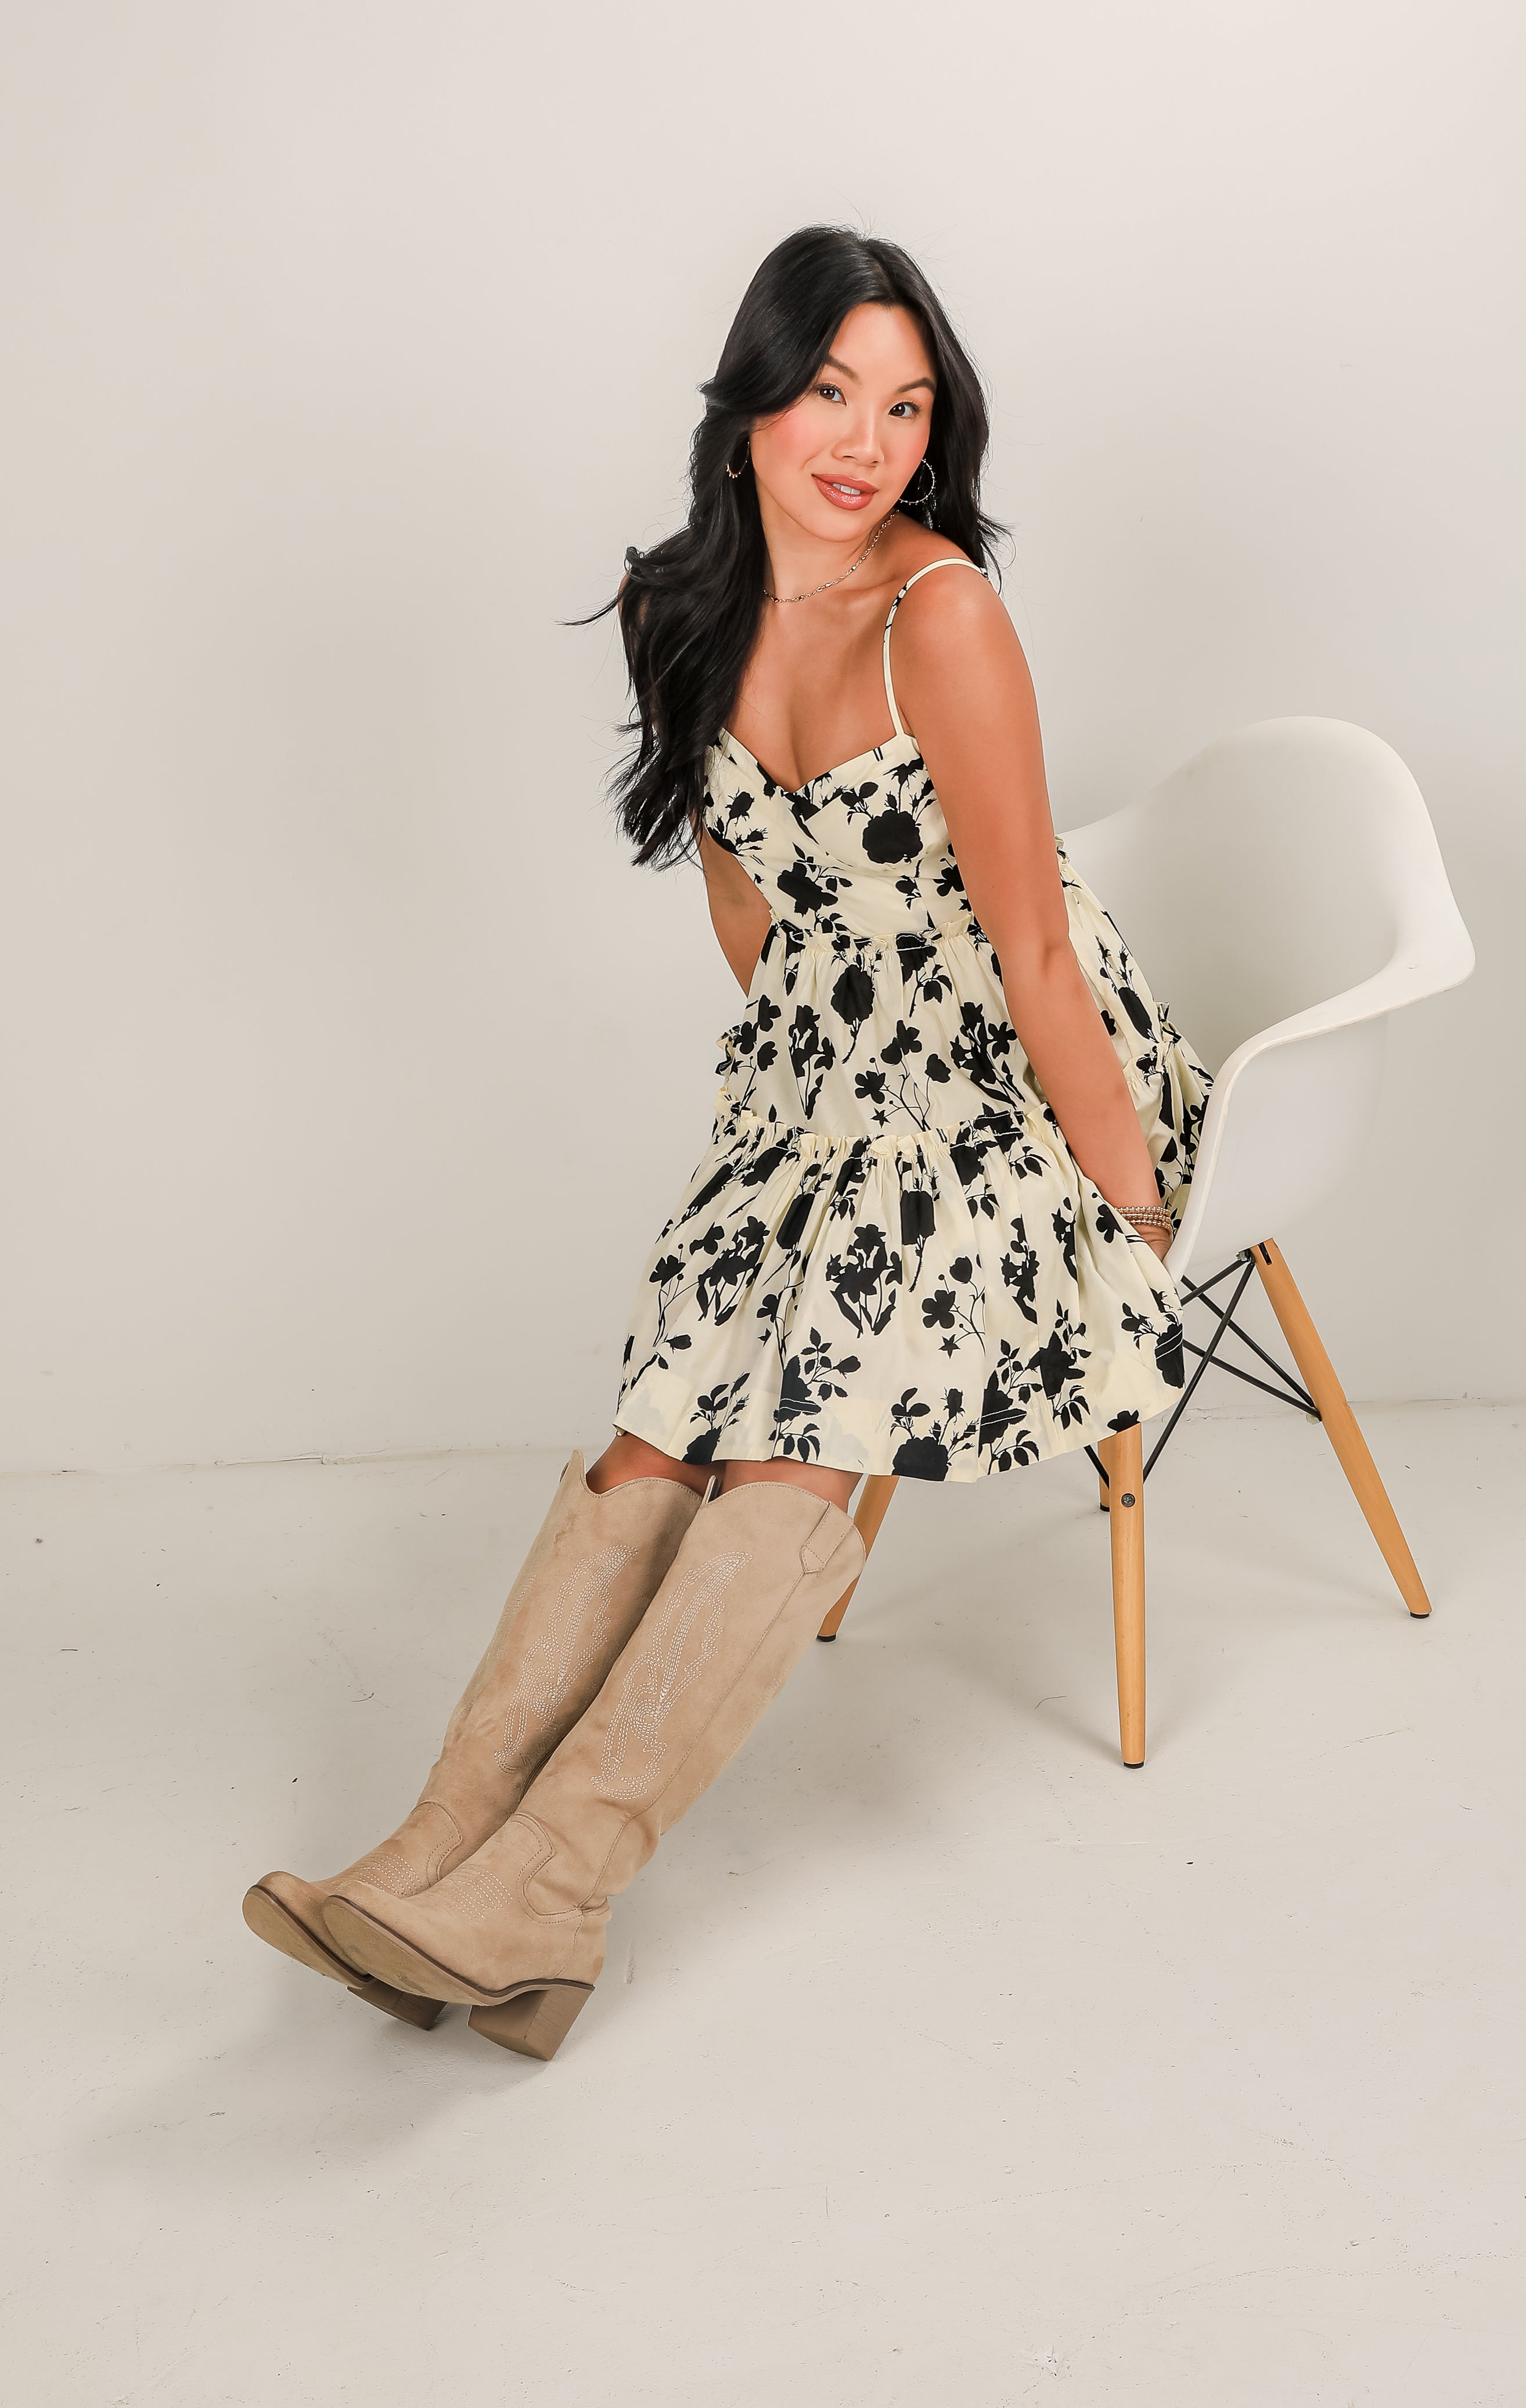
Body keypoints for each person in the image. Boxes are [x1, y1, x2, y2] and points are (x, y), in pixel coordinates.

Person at [244, 228, 1211, 2060]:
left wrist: (1135, 1200)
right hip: (821, 1071)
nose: (864, 440)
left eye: (906, 406)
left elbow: (1030, 954)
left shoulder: (947, 616)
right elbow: (748, 901)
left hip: (1011, 1074)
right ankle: (437, 1849)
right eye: (831, 390)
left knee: (791, 1440)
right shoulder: (675, 603)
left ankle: (548, 1896)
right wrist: (789, 1123)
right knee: (649, 1433)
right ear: (752, 398)